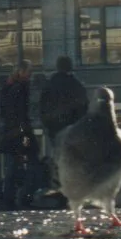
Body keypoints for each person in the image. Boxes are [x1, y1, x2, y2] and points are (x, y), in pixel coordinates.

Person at [38, 55, 89, 193]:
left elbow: (43, 108)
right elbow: (84, 108)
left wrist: (49, 126)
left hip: (56, 129)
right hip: (73, 128)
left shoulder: (50, 85)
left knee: (59, 159)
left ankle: (59, 187)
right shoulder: (76, 85)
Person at [0, 60, 37, 208]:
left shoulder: (9, 87)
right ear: (21, 72)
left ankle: (10, 199)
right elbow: (19, 113)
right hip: (19, 133)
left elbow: (5, 112)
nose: (30, 75)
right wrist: (24, 134)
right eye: (28, 72)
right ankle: (23, 197)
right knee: (31, 163)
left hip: (12, 133)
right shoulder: (19, 88)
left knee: (13, 166)